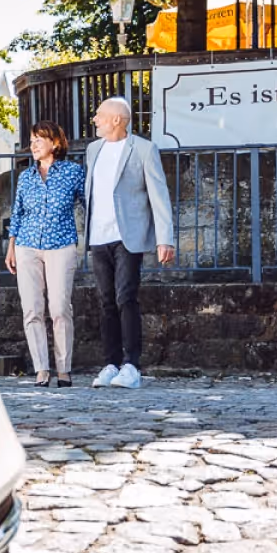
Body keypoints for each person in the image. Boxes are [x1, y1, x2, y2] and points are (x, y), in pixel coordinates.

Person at [85, 96, 175, 390]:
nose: (94, 119)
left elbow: (158, 195)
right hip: (98, 236)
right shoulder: (92, 150)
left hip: (128, 236)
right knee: (105, 301)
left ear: (116, 119)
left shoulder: (144, 149)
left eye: (99, 115)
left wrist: (165, 239)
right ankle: (110, 364)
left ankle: (131, 366)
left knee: (126, 297)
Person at [5, 122, 85, 387]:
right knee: (32, 309)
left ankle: (64, 369)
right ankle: (41, 369)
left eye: (39, 139)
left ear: (55, 143)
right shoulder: (25, 177)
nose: (34, 144)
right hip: (26, 245)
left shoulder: (73, 172)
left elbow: (89, 204)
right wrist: (11, 247)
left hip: (61, 245)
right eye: (32, 140)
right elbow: (17, 214)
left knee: (60, 308)